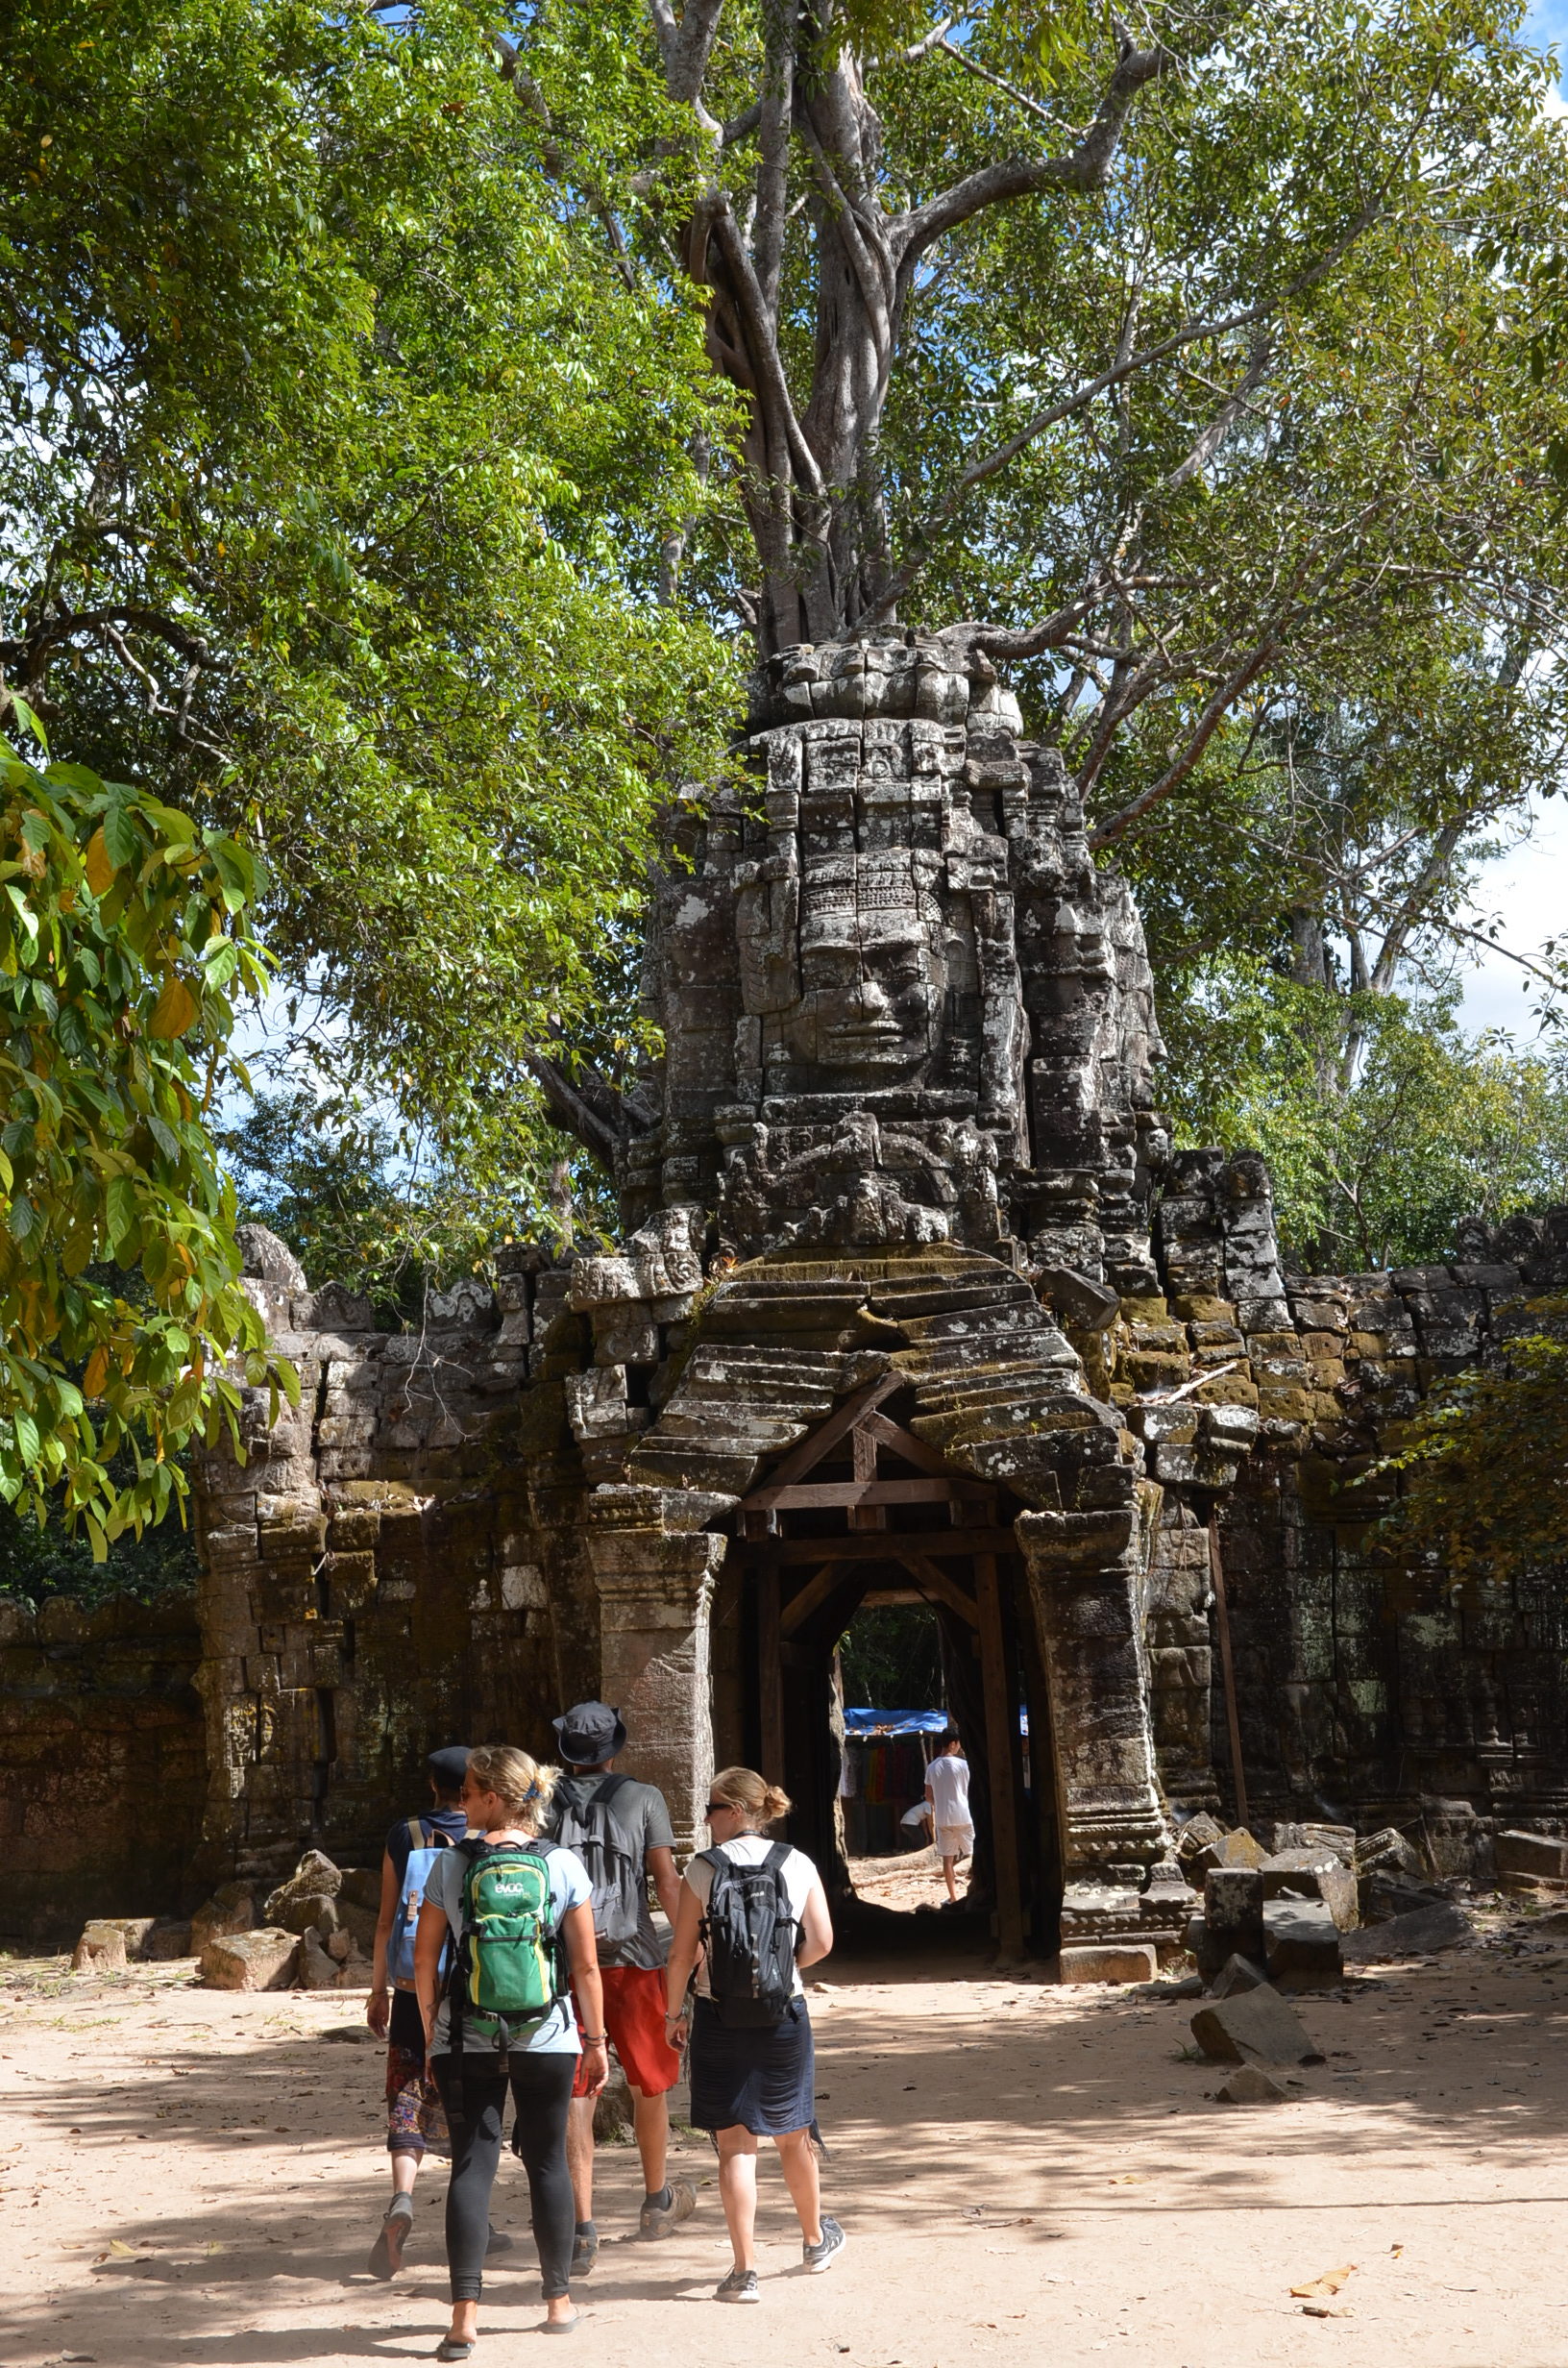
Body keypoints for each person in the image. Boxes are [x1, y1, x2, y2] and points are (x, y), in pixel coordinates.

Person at [414, 1744, 607, 2355]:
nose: (461, 1801)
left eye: (469, 1793)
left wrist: (431, 2033)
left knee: (473, 2165)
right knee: (548, 2162)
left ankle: (463, 2321)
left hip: (464, 2033)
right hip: (549, 2033)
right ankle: (558, 2302)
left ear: (494, 1799)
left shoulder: (451, 1865)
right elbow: (586, 1966)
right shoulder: (562, 1865)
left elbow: (424, 1958)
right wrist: (596, 2041)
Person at [665, 1767, 845, 2305]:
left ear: (738, 1812)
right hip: (783, 2012)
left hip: (718, 2015)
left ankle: (744, 2273)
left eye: (713, 1808)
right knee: (794, 2132)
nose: (706, 1818)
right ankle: (814, 2242)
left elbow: (680, 1955)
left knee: (735, 2144)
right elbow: (823, 1941)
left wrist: (674, 2013)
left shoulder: (702, 1870)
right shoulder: (797, 1863)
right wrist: (785, 1968)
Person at [545, 1700, 696, 2275]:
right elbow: (664, 1878)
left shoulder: (546, 1801)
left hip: (564, 1964)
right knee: (648, 2085)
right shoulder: (645, 1798)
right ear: (614, 1750)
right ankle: (656, 2202)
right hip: (635, 1960)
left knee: (577, 2096)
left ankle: (582, 2227)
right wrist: (687, 1946)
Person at [365, 1744, 473, 2278]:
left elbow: (387, 1921)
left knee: (408, 2087)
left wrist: (378, 1990)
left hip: (411, 1986)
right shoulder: (483, 1836)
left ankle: (403, 2197)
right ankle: (473, 2219)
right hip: (472, 1988)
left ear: (432, 1785)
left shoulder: (403, 1836)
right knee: (464, 2096)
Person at [924, 1730, 974, 1905]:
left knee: (948, 1859)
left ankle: (953, 1897)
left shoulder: (931, 1767)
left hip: (943, 1818)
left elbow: (928, 1796)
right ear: (952, 1743)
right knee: (973, 1854)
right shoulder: (963, 1765)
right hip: (963, 1815)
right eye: (958, 1743)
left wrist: (940, 1802)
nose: (959, 1747)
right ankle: (974, 1892)